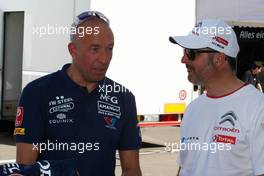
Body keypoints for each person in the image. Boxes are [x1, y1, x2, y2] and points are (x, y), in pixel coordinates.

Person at [14, 11, 142, 176]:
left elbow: (132, 170)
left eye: (109, 48)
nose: (104, 59)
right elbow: (26, 168)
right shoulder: (37, 93)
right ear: (73, 50)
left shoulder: (123, 98)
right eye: (94, 49)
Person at [169, 19, 264, 176]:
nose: (183, 60)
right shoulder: (193, 108)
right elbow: (186, 167)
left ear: (219, 58)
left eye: (191, 53)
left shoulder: (257, 107)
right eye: (184, 52)